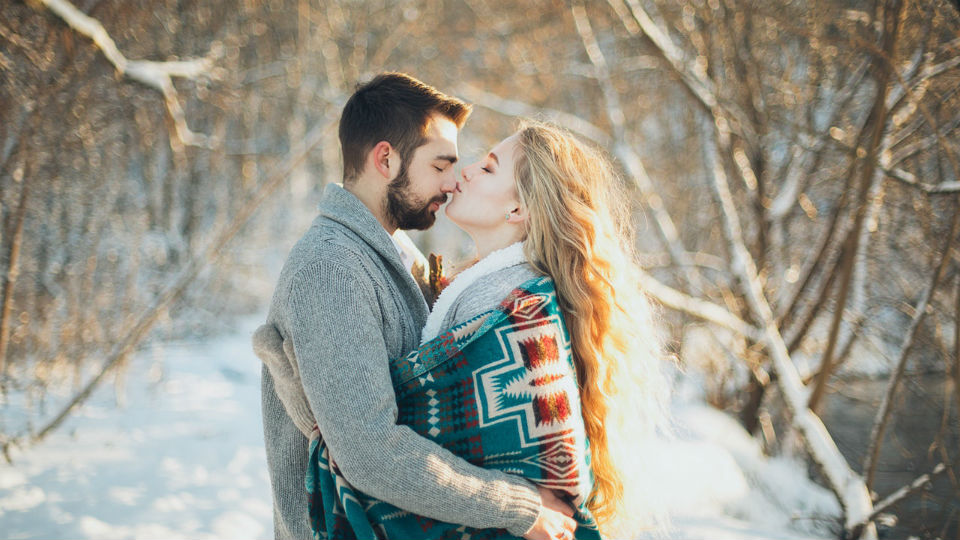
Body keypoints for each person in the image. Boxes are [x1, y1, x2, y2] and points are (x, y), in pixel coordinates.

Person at [257, 119, 668, 539]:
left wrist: (299, 392)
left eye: (488, 168)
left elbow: (386, 459)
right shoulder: (485, 289)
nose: (464, 172)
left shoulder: (504, 313)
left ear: (517, 209)